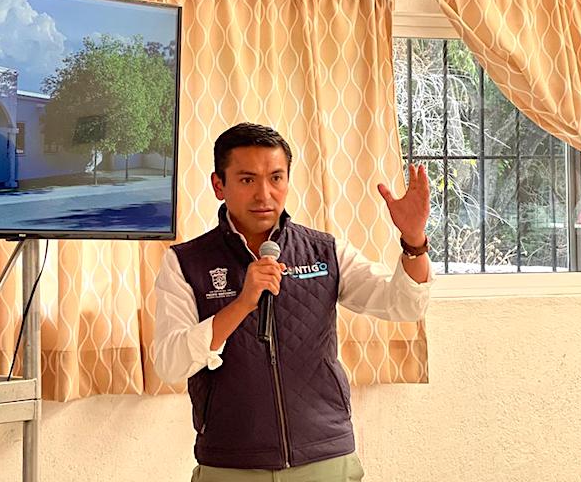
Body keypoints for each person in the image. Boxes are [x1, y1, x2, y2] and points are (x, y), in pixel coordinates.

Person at [152, 123, 432, 482]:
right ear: (219, 185)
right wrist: (242, 303)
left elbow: (403, 306)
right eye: (247, 180)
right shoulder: (185, 262)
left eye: (276, 178)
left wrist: (413, 241)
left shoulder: (325, 251)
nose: (264, 195)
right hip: (230, 461)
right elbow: (170, 363)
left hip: (325, 456)